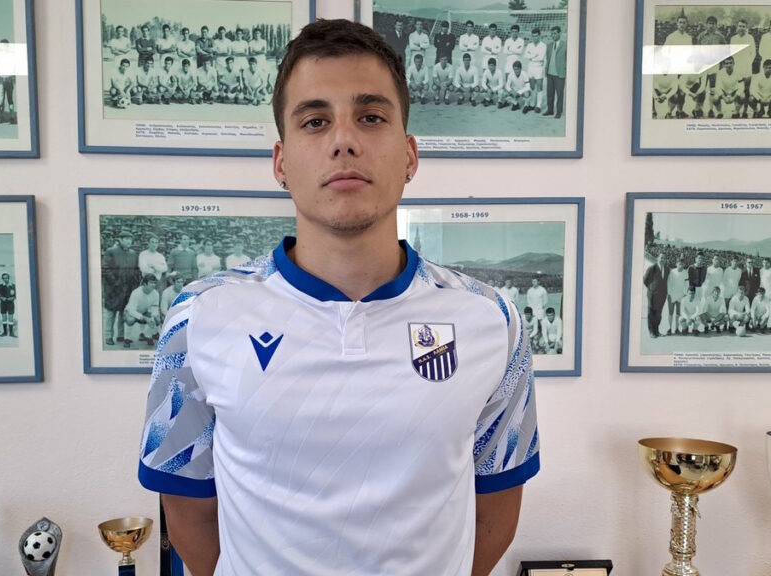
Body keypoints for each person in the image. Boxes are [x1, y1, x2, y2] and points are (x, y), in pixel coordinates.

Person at [140, 20, 538, 576]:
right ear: (281, 162)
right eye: (315, 121)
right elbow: (187, 510)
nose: (344, 140)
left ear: (409, 155)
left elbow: (495, 505)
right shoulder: (198, 315)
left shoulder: (492, 320)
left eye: (371, 117)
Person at [103, 229, 140, 346]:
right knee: (111, 313)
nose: (129, 241)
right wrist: (115, 282)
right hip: (113, 288)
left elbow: (136, 270)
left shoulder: (133, 254)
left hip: (128, 288)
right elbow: (105, 269)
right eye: (126, 239)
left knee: (123, 312)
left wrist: (135, 285)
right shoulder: (111, 251)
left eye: (130, 239)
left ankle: (120, 335)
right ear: (120, 239)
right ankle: (108, 336)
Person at [729, 19, 757, 118]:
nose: (741, 28)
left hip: (747, 68)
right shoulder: (733, 39)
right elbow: (731, 53)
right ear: (737, 27)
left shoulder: (750, 38)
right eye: (740, 26)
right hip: (736, 67)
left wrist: (747, 63)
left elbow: (753, 53)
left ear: (746, 28)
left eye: (743, 26)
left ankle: (745, 111)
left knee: (746, 90)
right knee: (736, 89)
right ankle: (736, 110)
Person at [123, 274, 161, 348]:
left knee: (157, 319)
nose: (153, 285)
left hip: (144, 311)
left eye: (154, 283)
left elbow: (155, 308)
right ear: (144, 284)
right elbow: (131, 310)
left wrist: (153, 317)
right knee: (130, 320)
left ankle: (148, 336)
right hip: (130, 312)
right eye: (151, 282)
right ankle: (127, 338)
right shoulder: (136, 293)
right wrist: (145, 318)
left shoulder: (156, 293)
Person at [643, 253, 669, 338]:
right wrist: (651, 288)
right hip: (652, 294)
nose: (662, 259)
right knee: (651, 313)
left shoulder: (667, 269)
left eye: (664, 258)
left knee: (658, 314)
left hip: (662, 295)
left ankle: (657, 331)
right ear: (657, 258)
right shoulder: (652, 268)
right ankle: (651, 332)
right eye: (661, 258)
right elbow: (645, 280)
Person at [542, 26, 566, 118]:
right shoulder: (549, 45)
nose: (553, 35)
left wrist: (565, 71)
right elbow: (548, 59)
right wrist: (546, 70)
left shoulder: (565, 45)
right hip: (550, 73)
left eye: (555, 33)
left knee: (559, 94)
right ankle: (550, 110)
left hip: (559, 74)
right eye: (552, 34)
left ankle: (559, 112)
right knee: (549, 93)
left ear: (560, 33)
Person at [522, 28, 547, 113]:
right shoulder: (529, 45)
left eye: (536, 36)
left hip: (539, 67)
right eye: (533, 36)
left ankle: (538, 106)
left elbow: (541, 57)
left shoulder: (543, 45)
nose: (534, 38)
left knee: (539, 87)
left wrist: (531, 56)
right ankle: (532, 104)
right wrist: (535, 55)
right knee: (532, 86)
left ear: (539, 36)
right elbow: (525, 55)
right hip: (530, 67)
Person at [666, 258, 688, 326]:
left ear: (684, 265)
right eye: (679, 264)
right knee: (670, 313)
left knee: (678, 313)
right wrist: (669, 294)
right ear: (676, 264)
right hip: (672, 295)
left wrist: (685, 294)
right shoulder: (672, 272)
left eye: (682, 264)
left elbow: (686, 284)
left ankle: (677, 328)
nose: (681, 265)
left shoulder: (685, 273)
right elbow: (669, 283)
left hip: (680, 295)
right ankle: (669, 328)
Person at [0, 273, 17, 337]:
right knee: (4, 318)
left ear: (9, 278)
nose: (5, 279)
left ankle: (11, 333)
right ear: (2, 279)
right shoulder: (0, 286)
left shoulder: (13, 285)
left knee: (11, 318)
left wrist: (13, 298)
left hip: (11, 304)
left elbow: (16, 294)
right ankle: (5, 332)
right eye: (4, 278)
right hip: (3, 304)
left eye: (6, 278)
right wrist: (2, 297)